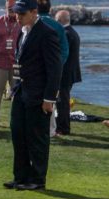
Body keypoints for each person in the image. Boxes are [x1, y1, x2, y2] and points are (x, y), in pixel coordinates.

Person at [5, 0, 62, 191]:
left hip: (39, 95)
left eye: (21, 14)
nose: (17, 17)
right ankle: (20, 176)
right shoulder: (22, 32)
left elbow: (55, 69)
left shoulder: (47, 33)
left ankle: (37, 179)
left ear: (33, 12)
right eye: (16, 14)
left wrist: (49, 99)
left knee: (37, 137)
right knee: (18, 133)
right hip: (22, 91)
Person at [38, 0, 68, 136]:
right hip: (51, 69)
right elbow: (65, 51)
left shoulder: (31, 25)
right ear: (50, 9)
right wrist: (57, 65)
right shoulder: (58, 27)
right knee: (50, 99)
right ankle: (50, 130)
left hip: (34, 70)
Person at [55, 10, 81, 136]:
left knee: (62, 102)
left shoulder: (65, 34)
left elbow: (62, 55)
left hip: (65, 74)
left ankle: (63, 128)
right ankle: (62, 126)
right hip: (70, 73)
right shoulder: (72, 32)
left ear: (60, 20)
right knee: (63, 101)